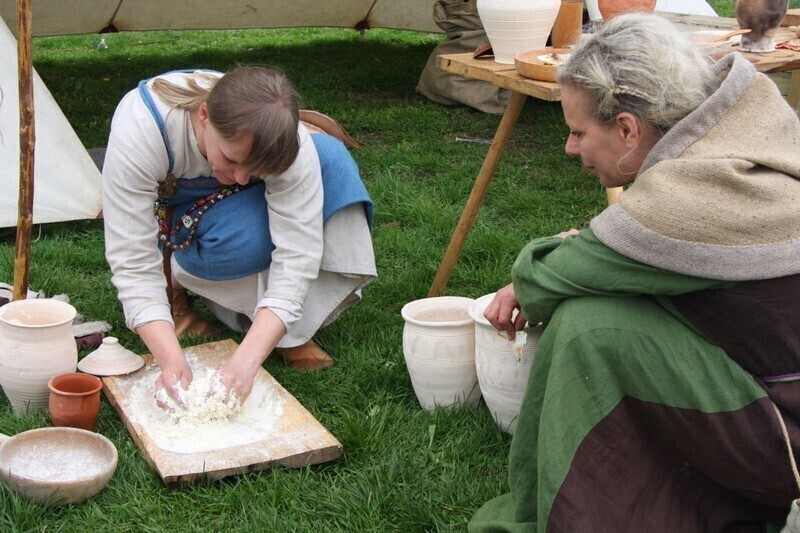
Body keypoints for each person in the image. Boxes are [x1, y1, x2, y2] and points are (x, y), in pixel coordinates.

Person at [472, 13, 800, 532]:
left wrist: (531, 271)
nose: (570, 148)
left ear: (627, 128)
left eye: (579, 132)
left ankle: (566, 514)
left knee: (590, 327)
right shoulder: (744, 138)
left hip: (781, 442)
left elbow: (546, 281)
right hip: (768, 399)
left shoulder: (691, 198)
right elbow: (625, 254)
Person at [102, 66, 376, 406]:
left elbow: (297, 254)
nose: (242, 179)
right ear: (204, 116)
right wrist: (170, 360)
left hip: (229, 208)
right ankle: (178, 279)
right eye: (231, 160)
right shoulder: (141, 129)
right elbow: (132, 262)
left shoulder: (290, 141)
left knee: (331, 159)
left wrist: (246, 363)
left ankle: (290, 335)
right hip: (188, 222)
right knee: (251, 240)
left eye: (255, 169)